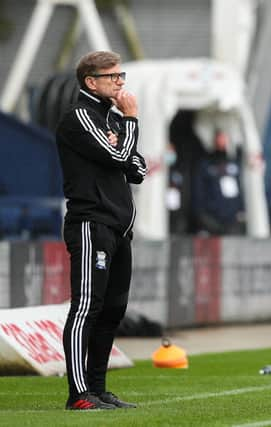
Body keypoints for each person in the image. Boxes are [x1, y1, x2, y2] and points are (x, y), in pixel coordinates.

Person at [56, 51, 146, 410]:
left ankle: (98, 388)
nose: (120, 82)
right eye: (113, 76)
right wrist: (133, 121)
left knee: (113, 311)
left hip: (119, 227)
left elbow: (137, 167)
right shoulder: (80, 115)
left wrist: (123, 140)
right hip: (91, 223)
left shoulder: (110, 118)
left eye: (121, 75)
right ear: (91, 82)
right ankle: (79, 394)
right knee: (86, 308)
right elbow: (123, 158)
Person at [191, 129, 245, 235]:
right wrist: (204, 218)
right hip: (212, 220)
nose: (221, 141)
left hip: (233, 220)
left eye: (223, 138)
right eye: (219, 138)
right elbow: (199, 193)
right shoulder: (205, 165)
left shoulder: (234, 162)